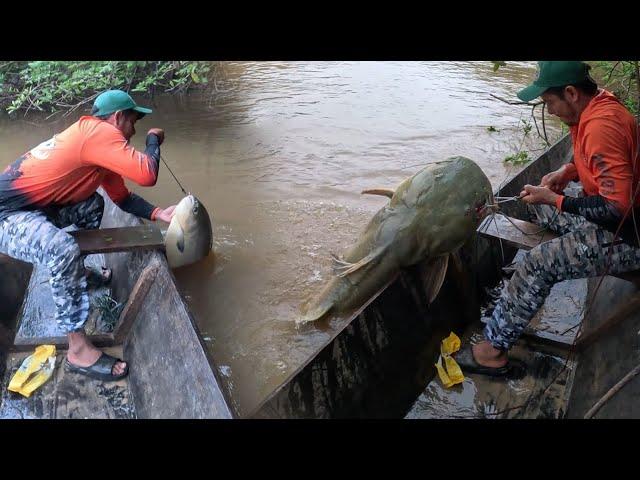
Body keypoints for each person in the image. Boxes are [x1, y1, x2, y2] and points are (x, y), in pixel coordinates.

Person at [460, 61, 640, 377]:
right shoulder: (598, 105)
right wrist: (565, 172)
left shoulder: (601, 126)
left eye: (549, 102)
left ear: (570, 93)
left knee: (538, 262)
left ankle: (492, 351)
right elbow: (597, 160)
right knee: (541, 206)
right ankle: (532, 289)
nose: (551, 110)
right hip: (621, 219)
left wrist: (557, 199)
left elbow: (618, 208)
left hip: (630, 236)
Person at [0, 89, 177, 381]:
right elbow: (147, 173)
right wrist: (153, 140)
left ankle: (77, 274)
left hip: (35, 210)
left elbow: (121, 199)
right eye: (133, 122)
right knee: (62, 249)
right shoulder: (99, 133)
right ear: (118, 117)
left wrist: (158, 213)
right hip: (7, 216)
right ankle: (78, 350)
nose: (134, 130)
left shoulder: (98, 149)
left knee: (93, 205)